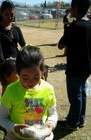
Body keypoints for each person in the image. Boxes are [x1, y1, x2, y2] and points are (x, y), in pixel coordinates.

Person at [0, 46, 58, 140]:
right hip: (15, 137)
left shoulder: (48, 89)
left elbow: (53, 113)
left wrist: (51, 125)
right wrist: (14, 127)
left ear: (42, 72)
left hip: (42, 137)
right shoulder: (11, 90)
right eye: (25, 77)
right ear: (18, 73)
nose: (30, 82)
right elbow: (1, 118)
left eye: (36, 76)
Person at [58, 0, 91, 131]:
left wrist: (69, 30)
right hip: (87, 67)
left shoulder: (74, 27)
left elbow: (60, 45)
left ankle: (72, 122)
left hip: (74, 68)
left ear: (76, 8)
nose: (70, 10)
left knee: (75, 96)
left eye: (71, 7)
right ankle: (81, 119)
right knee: (82, 93)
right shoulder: (89, 24)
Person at [0, 0, 26, 66]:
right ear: (1, 13)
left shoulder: (16, 29)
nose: (10, 17)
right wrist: (4, 65)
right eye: (6, 14)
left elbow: (24, 46)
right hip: (5, 65)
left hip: (17, 63)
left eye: (12, 14)